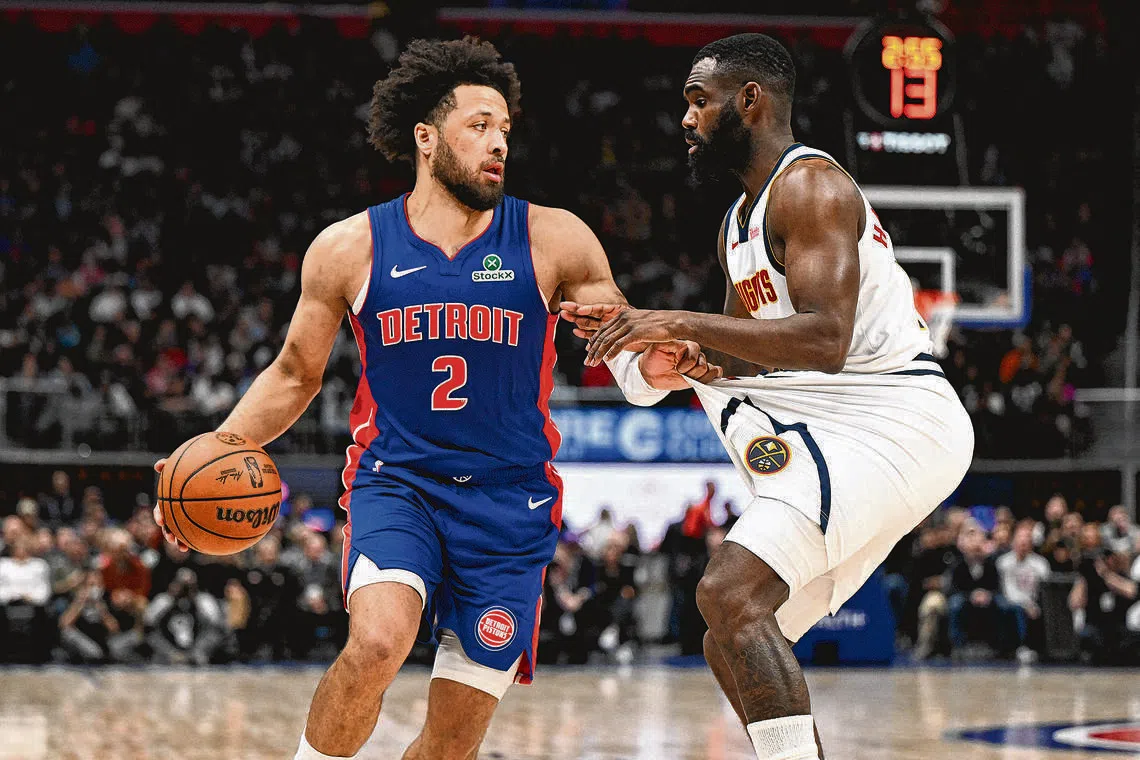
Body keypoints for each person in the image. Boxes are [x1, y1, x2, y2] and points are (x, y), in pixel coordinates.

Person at [152, 37, 718, 760]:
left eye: (506, 129)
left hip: (510, 499)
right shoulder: (348, 247)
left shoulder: (554, 238)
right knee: (378, 642)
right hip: (400, 481)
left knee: (452, 740)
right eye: (479, 124)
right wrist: (215, 450)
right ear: (425, 137)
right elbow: (296, 374)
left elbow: (625, 352)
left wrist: (659, 366)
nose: (498, 143)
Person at [562, 33, 973, 759]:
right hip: (850, 419)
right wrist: (671, 351)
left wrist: (679, 318)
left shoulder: (811, 187)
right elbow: (738, 356)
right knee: (737, 634)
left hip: (896, 416)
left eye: (699, 100)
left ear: (749, 100)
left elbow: (824, 340)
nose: (686, 120)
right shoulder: (737, 224)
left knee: (728, 593)